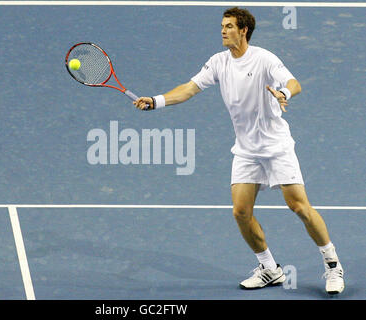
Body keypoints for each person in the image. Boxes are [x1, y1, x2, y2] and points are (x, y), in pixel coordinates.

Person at [133, 7, 345, 294]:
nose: (223, 31)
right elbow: (190, 88)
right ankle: (270, 268)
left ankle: (333, 265)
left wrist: (285, 93)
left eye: (229, 26)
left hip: (276, 147)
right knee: (240, 212)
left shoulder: (264, 59)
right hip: (246, 150)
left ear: (244, 30)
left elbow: (293, 83)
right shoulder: (218, 62)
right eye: (222, 25)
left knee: (299, 207)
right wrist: (157, 101)